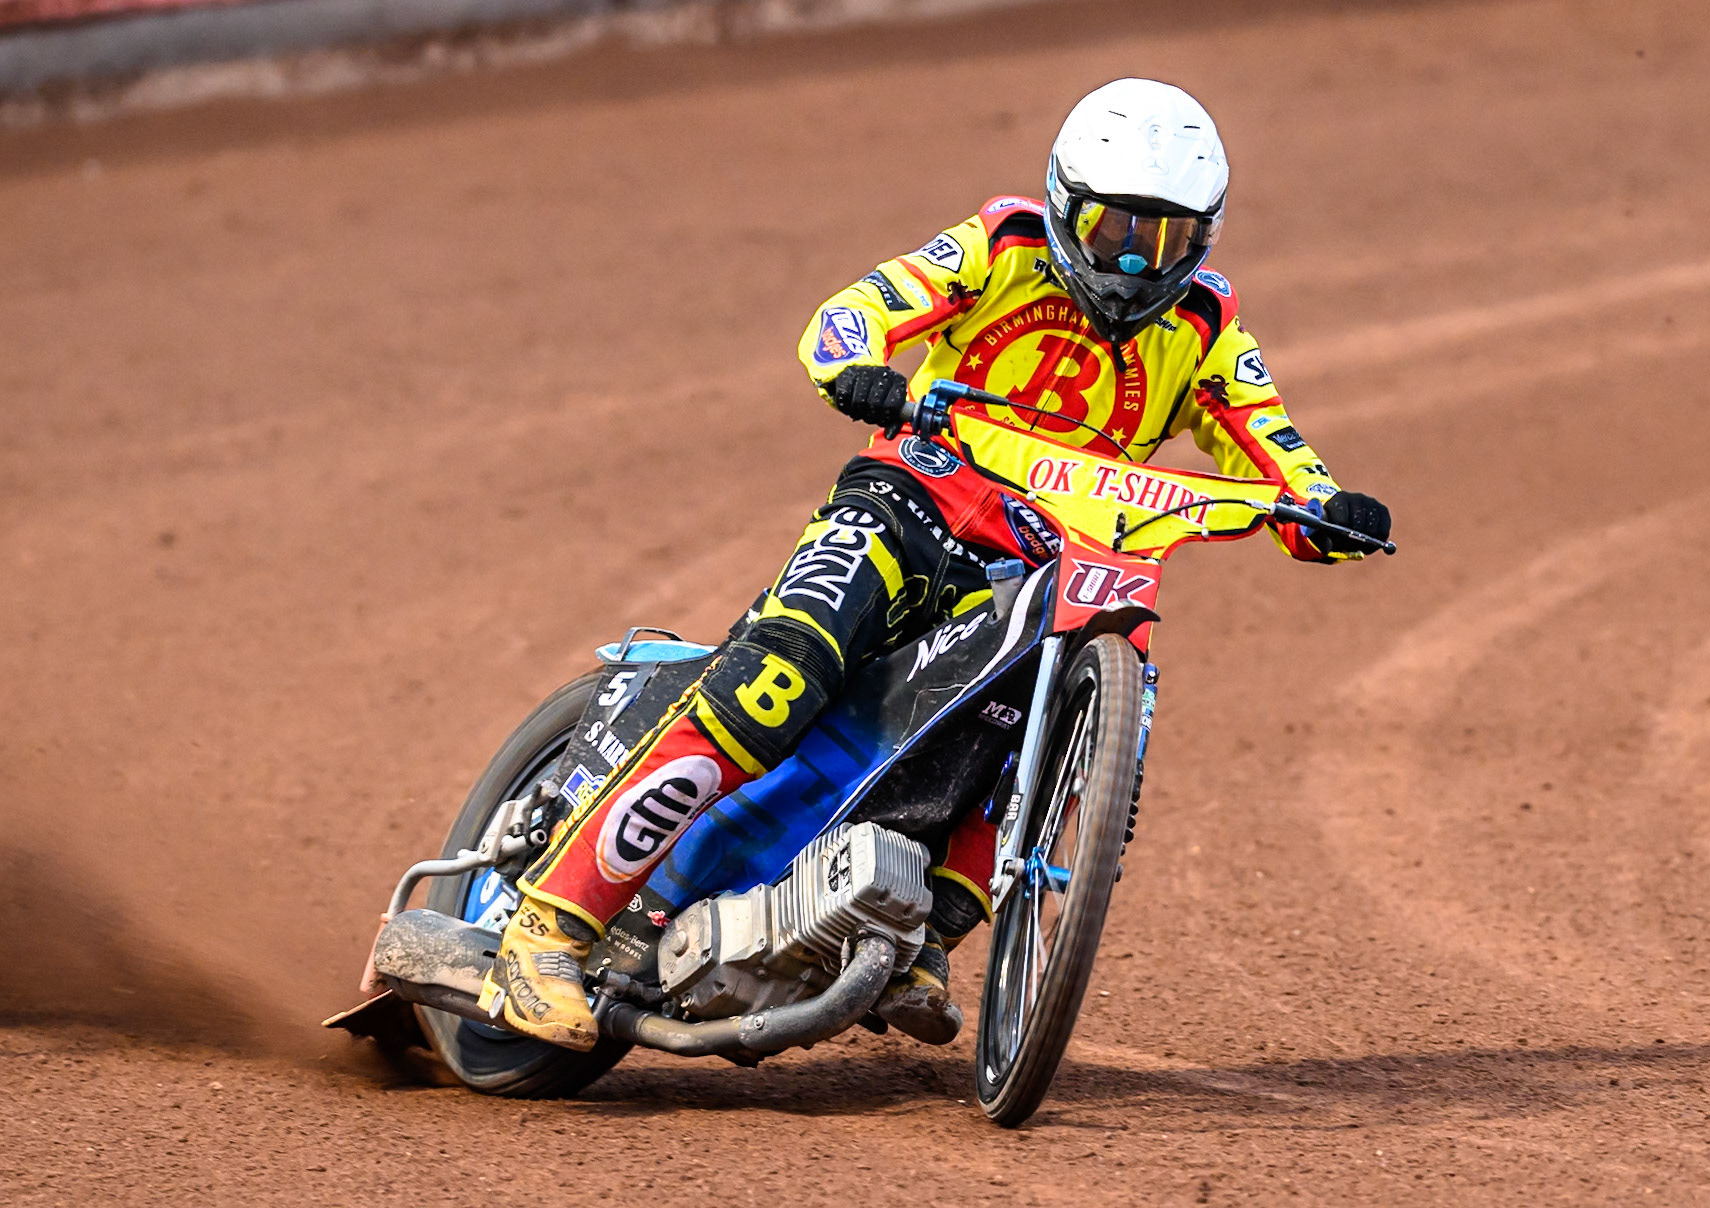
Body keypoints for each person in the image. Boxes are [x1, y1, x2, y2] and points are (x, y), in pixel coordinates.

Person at [478, 77, 1392, 1051]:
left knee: (1041, 731)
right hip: (910, 508)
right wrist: (856, 366)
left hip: (1046, 566)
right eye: (1116, 226)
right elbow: (852, 315)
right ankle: (547, 927)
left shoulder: (1204, 328)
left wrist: (1329, 507)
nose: (1132, 260)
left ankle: (919, 934)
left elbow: (1276, 450)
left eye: (1162, 239)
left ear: (1201, 239)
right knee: (773, 683)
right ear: (1063, 201)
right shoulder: (1002, 248)